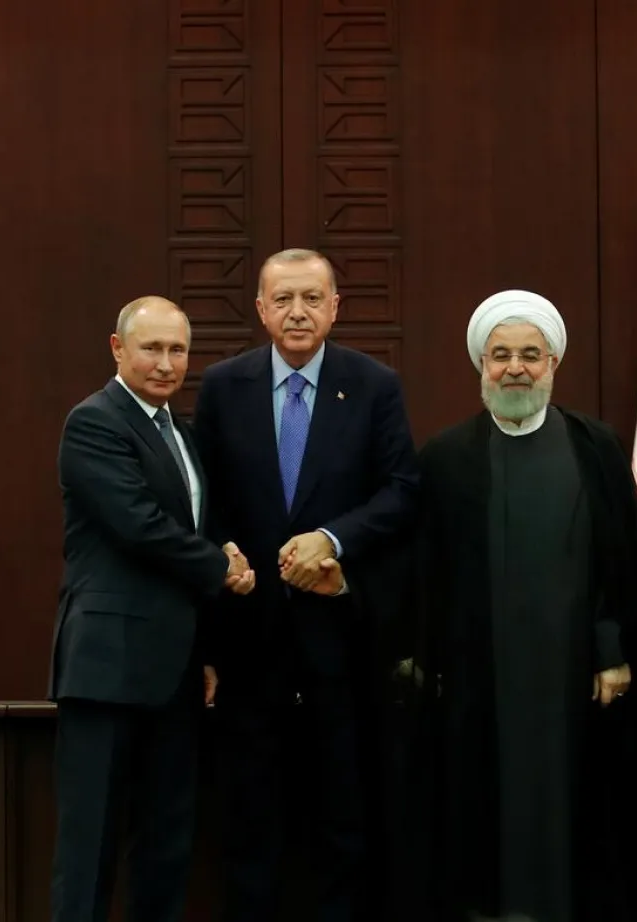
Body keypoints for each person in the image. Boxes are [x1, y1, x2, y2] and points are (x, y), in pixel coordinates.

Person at [402, 289, 637, 922]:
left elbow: (621, 565)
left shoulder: (595, 448)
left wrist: (612, 651)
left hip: (576, 681)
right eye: (500, 356)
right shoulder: (446, 459)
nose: (515, 369)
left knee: (579, 814)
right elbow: (425, 574)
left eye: (531, 355)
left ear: (554, 363)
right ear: (481, 366)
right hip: (480, 684)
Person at [192, 248, 420, 922]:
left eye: (312, 298)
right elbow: (203, 501)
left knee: (343, 819)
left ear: (335, 307)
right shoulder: (222, 385)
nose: (298, 312)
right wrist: (220, 559)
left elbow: (403, 492)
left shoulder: (374, 384)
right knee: (250, 821)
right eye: (283, 299)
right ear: (260, 308)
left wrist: (335, 540)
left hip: (341, 643)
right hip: (248, 642)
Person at [49, 296, 257, 922]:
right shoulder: (94, 422)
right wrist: (221, 566)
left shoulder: (182, 434)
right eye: (151, 348)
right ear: (118, 349)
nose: (167, 363)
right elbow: (138, 526)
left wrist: (210, 646)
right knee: (91, 845)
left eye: (177, 351)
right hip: (107, 669)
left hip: (175, 671)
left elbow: (188, 526)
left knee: (166, 843)